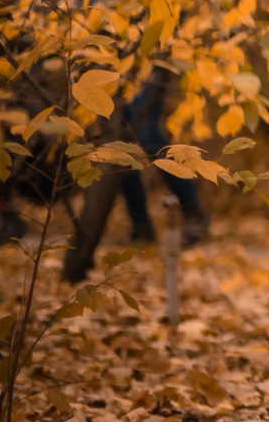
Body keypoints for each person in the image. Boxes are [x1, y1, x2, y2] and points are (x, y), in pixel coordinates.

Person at [62, 62, 209, 284]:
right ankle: (140, 225)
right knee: (119, 144)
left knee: (146, 133)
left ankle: (192, 209)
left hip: (149, 60)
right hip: (110, 63)